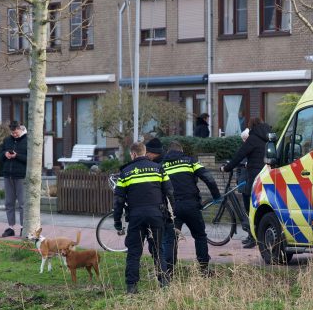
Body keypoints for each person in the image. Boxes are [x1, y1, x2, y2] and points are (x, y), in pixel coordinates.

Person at [113, 141, 175, 294]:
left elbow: (118, 200)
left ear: (133, 154)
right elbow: (170, 192)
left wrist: (117, 222)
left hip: (136, 217)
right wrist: (172, 214)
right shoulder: (158, 169)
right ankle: (164, 284)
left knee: (134, 252)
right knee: (158, 250)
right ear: (145, 152)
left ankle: (132, 288)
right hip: (156, 215)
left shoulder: (125, 172)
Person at [160, 141, 221, 280]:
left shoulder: (161, 166)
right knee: (200, 236)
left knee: (170, 239)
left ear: (168, 152)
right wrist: (216, 195)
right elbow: (209, 178)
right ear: (181, 151)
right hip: (191, 205)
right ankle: (204, 269)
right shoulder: (190, 161)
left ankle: (168, 272)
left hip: (172, 208)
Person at [221, 117, 271, 249]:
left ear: (251, 126)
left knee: (250, 207)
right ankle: (256, 236)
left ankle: (253, 236)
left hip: (254, 177)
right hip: (266, 175)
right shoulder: (268, 138)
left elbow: (239, 155)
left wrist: (226, 168)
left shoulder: (253, 139)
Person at [0, 121, 28, 237]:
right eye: (12, 133)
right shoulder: (7, 140)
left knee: (22, 204)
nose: (14, 135)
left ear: (21, 129)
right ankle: (10, 227)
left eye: (16, 132)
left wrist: (17, 156)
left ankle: (23, 227)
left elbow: (30, 159)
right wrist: (5, 154)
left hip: (21, 176)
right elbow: (0, 155)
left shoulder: (28, 140)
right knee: (9, 203)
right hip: (8, 175)